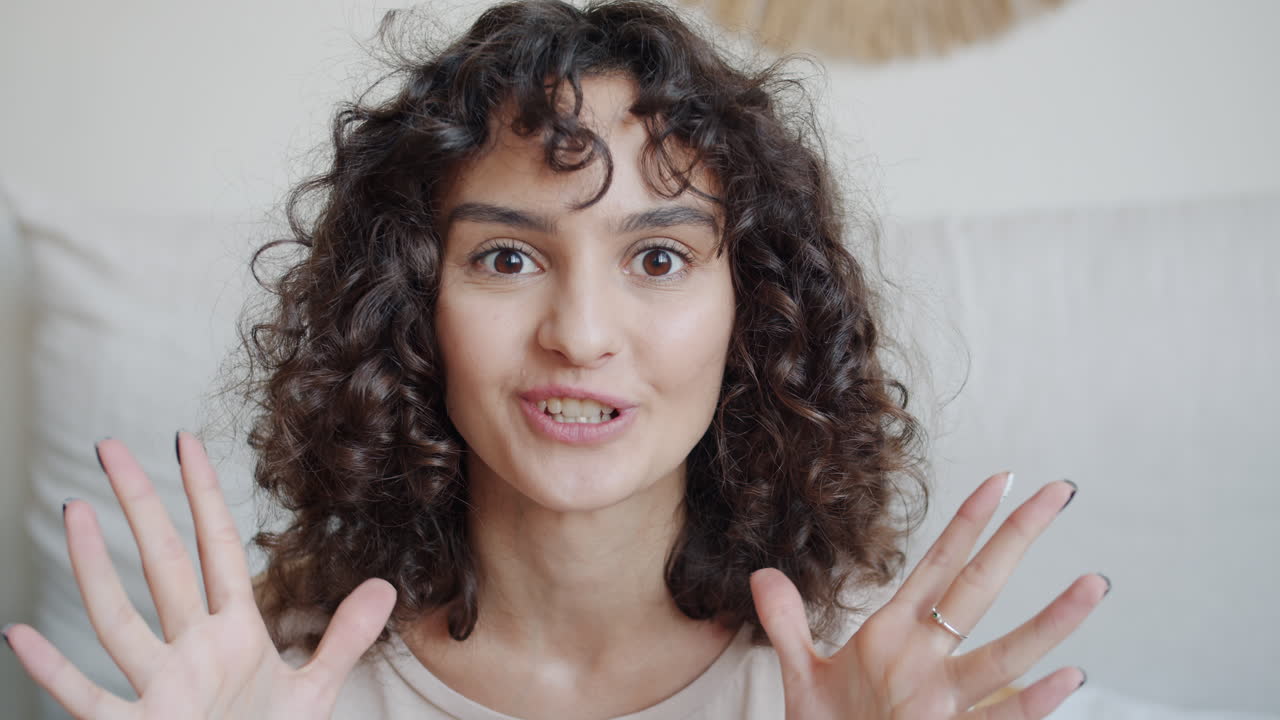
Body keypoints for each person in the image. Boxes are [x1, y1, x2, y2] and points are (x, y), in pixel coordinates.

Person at [3, 1, 1108, 718]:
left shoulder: (879, 685)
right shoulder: (266, 681)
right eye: (505, 257)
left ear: (754, 313)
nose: (579, 334)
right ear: (408, 304)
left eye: (661, 258)